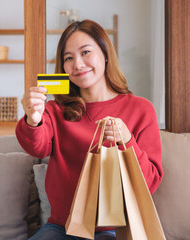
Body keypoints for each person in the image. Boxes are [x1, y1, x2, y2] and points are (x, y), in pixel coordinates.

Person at [15, 19, 163, 240]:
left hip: (117, 230)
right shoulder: (55, 110)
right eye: (68, 58)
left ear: (105, 54)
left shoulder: (140, 109)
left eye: (85, 52)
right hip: (62, 228)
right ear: (63, 67)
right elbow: (37, 148)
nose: (78, 64)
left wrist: (127, 141)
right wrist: (33, 119)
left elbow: (149, 182)